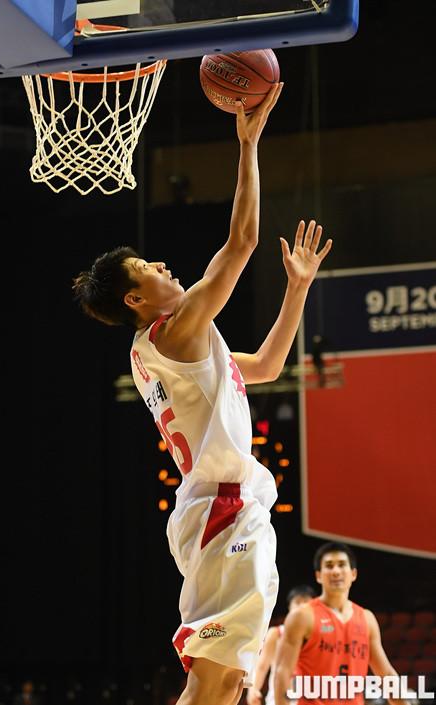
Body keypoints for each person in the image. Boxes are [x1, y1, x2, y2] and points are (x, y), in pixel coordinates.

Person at [73, 82, 333, 705]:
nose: (163, 266)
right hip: (222, 507)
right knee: (217, 681)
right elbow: (241, 243)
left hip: (221, 508)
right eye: (148, 270)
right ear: (135, 299)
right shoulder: (176, 332)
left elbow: (265, 365)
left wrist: (297, 288)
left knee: (227, 680)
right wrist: (248, 144)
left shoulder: (176, 348)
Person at [273, 542, 404, 705]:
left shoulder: (367, 619)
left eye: (342, 565)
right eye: (329, 566)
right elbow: (283, 672)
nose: (336, 571)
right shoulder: (302, 616)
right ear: (318, 576)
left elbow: (387, 675)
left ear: (353, 574)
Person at [247, 585, 316, 705]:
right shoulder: (276, 633)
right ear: (289, 607)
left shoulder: (321, 635)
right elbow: (262, 665)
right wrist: (253, 689)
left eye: (306, 602)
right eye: (297, 602)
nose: (301, 607)